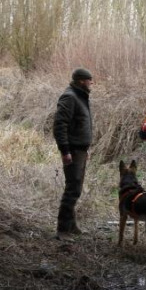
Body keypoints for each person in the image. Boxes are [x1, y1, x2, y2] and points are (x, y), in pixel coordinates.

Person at [53, 68, 94, 240]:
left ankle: (72, 225)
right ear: (81, 81)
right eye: (89, 80)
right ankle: (62, 230)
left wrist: (85, 149)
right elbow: (59, 125)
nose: (92, 83)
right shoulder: (70, 97)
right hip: (73, 151)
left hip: (80, 150)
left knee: (76, 188)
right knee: (72, 189)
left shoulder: (80, 96)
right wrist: (65, 151)